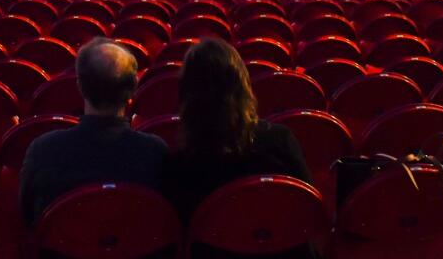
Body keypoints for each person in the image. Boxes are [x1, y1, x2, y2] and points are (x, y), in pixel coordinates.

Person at [20, 38, 167, 226]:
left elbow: (27, 217)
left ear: (80, 86)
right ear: (132, 90)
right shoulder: (155, 153)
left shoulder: (44, 151)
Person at [164, 40, 312, 224]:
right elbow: (308, 208)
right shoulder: (279, 141)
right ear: (243, 85)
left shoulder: (178, 162)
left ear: (186, 92)